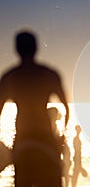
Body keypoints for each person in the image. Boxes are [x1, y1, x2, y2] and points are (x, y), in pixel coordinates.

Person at [0, 31, 69, 187]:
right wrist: (61, 136)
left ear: (16, 49)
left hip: (23, 138)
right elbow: (66, 108)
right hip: (46, 137)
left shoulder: (10, 77)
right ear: (37, 48)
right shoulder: (49, 74)